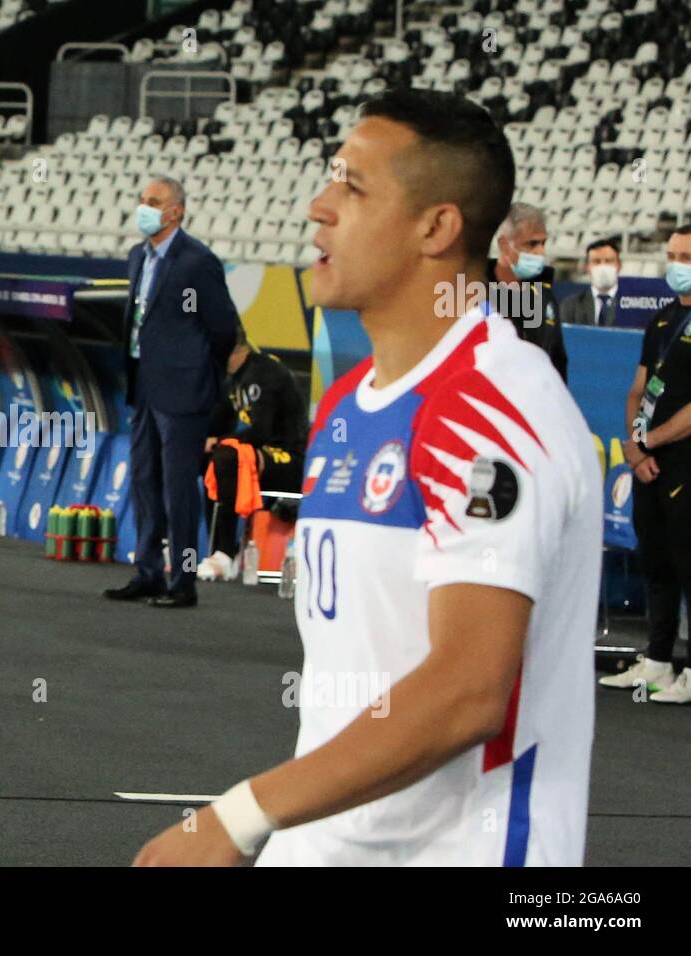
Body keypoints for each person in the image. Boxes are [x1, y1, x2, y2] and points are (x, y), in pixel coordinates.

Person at [135, 88, 600, 866]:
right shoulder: (351, 402)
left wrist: (238, 816)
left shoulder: (488, 404)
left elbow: (465, 690)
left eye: (351, 186)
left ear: (438, 226)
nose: (319, 206)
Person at [103, 174, 237, 609]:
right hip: (143, 383)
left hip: (183, 390)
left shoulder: (196, 262)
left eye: (154, 201)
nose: (144, 206)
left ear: (175, 211)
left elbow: (221, 328)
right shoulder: (137, 256)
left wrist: (197, 371)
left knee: (179, 488)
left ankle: (182, 579)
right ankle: (147, 572)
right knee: (144, 478)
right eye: (141, 199)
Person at [603, 224, 691, 703]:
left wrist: (652, 440)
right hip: (649, 464)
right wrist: (634, 450)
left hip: (684, 464)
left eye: (687, 257)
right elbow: (639, 387)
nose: (677, 265)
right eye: (673, 255)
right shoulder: (660, 321)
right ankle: (658, 662)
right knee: (655, 562)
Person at [197, 337, 308, 581]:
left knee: (227, 458)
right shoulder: (232, 380)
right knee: (204, 459)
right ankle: (201, 547)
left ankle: (225, 553)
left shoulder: (263, 373)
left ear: (236, 350)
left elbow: (262, 432)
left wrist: (221, 441)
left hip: (290, 457)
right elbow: (218, 421)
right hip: (261, 452)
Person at [488, 202, 568, 381]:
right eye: (531, 244)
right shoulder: (475, 296)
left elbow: (558, 360)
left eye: (543, 243)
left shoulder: (545, 297)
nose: (540, 252)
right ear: (504, 245)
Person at [561, 237, 620, 327]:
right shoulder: (570, 306)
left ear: (619, 265)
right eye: (596, 261)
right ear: (587, 267)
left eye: (608, 261)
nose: (603, 266)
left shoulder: (630, 306)